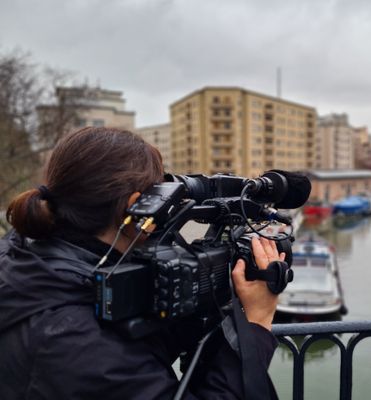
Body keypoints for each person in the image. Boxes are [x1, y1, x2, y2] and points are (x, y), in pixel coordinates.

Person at [0, 127, 282, 399]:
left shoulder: (22, 260)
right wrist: (256, 323)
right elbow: (110, 362)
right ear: (137, 207)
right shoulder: (80, 344)